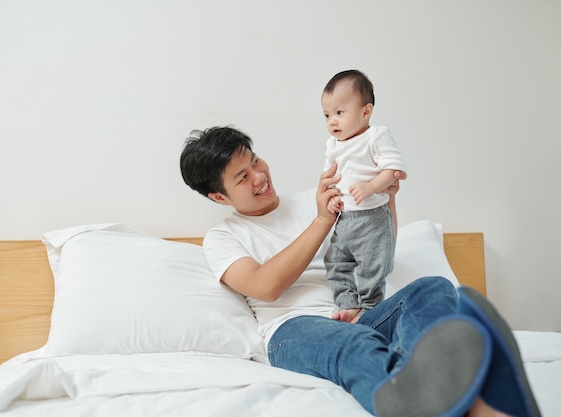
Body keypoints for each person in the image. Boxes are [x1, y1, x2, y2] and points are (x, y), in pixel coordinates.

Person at [180, 125, 540, 417]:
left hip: (361, 315)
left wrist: (384, 197)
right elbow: (266, 286)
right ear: (219, 197)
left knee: (433, 289)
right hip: (294, 330)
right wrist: (324, 219)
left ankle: (428, 387)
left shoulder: (318, 195)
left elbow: (376, 252)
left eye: (257, 161)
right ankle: (440, 401)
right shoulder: (224, 237)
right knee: (355, 344)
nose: (260, 176)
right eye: (243, 177)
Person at [321, 70, 407, 322]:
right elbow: (330, 176)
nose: (332, 121)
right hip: (345, 219)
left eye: (339, 113)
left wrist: (372, 186)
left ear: (365, 112)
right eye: (326, 115)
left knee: (373, 267)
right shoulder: (332, 146)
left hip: (372, 219)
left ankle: (371, 308)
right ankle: (347, 302)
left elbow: (394, 170)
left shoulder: (376, 136)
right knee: (336, 262)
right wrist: (333, 196)